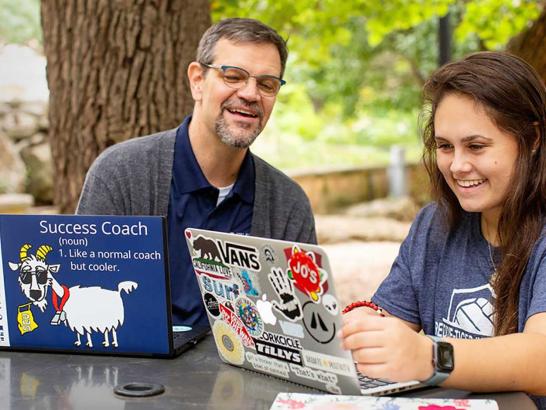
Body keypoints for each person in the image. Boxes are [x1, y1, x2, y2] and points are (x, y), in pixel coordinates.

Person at [76, 18, 317, 326]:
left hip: (241, 375)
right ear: (197, 81)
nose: (250, 94)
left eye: (267, 84)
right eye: (233, 76)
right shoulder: (120, 175)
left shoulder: (288, 205)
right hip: (134, 373)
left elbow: (298, 329)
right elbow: (88, 300)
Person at [340, 51, 546, 408]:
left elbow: (540, 359)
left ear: (531, 139)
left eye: (476, 146)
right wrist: (364, 328)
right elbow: (392, 325)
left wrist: (431, 357)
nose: (458, 166)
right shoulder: (434, 223)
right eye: (445, 147)